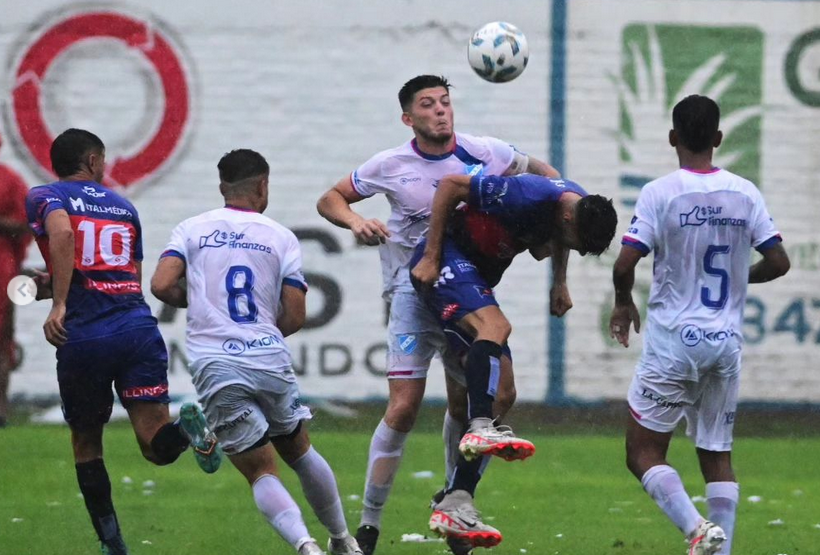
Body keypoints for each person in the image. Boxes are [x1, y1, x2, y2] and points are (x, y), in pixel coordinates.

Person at [316, 74, 562, 555]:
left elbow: (549, 181)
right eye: (427, 105)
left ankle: (453, 496)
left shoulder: (486, 151)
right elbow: (330, 198)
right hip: (412, 294)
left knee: (484, 402)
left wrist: (558, 256)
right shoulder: (391, 163)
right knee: (404, 407)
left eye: (445, 102)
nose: (440, 111)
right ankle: (366, 529)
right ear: (409, 118)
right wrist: (356, 220)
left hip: (465, 293)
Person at [152, 149, 362, 555]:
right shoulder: (280, 236)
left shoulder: (191, 230)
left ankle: (306, 546)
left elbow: (161, 286)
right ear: (263, 185)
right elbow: (296, 315)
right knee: (299, 449)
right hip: (267, 356)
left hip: (216, 364)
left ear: (221, 188)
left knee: (260, 470)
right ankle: (343, 541)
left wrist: (198, 303)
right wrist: (261, 331)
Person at [608, 95, 790, 555]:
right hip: (725, 344)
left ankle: (696, 529)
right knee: (716, 454)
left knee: (643, 453)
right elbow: (779, 261)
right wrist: (737, 275)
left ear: (673, 138)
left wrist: (622, 302)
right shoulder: (745, 192)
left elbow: (625, 261)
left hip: (674, 344)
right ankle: (720, 550)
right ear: (718, 138)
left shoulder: (660, 192)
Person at [25, 128, 222, 555]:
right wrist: (58, 285)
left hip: (86, 337)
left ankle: (113, 545)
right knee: (156, 447)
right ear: (93, 161)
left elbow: (62, 235)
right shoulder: (123, 206)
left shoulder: (44, 195)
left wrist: (59, 302)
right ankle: (191, 431)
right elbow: (124, 277)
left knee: (87, 444)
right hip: (136, 329)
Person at [411, 170, 617, 545]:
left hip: (477, 281)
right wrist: (430, 255)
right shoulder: (525, 194)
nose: (572, 246)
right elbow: (450, 185)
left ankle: (456, 500)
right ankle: (479, 428)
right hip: (447, 259)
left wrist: (560, 281)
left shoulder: (576, 207)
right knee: (496, 326)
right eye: (577, 242)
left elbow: (560, 238)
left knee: (503, 395)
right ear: (570, 218)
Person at [0, 133, 32, 427]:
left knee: (2, 336)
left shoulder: (9, 179)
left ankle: (1, 409)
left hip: (2, 267)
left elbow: (25, 222)